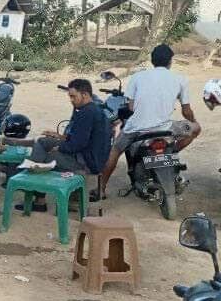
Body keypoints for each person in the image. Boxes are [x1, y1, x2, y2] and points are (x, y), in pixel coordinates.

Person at [99, 44, 201, 192]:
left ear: (152, 61)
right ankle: (170, 153)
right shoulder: (180, 79)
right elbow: (186, 111)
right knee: (196, 129)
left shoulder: (137, 77)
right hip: (166, 128)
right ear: (170, 61)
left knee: (115, 150)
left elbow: (131, 107)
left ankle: (101, 188)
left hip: (136, 129)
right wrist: (194, 121)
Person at [20, 79, 110, 212]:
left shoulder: (87, 113)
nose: (71, 100)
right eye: (70, 96)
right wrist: (60, 137)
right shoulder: (94, 110)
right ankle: (32, 180)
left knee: (46, 157)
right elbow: (83, 138)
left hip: (86, 162)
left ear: (84, 95)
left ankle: (36, 195)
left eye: (73, 96)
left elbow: (78, 144)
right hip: (89, 156)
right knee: (42, 141)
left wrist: (60, 147)